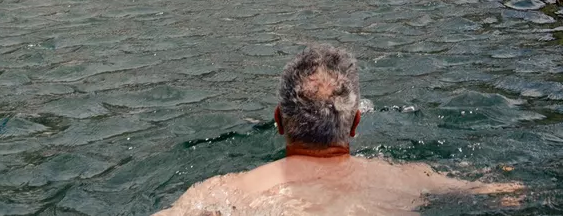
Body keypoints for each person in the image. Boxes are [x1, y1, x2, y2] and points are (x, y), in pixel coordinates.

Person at [153, 45, 521, 215]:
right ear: (356, 122)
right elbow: (506, 193)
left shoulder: (224, 192)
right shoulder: (412, 179)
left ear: (279, 121)